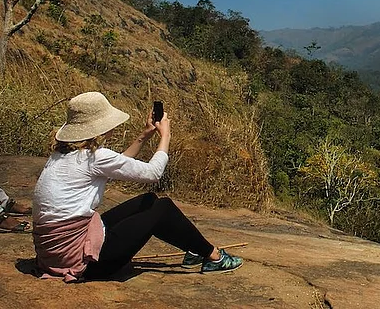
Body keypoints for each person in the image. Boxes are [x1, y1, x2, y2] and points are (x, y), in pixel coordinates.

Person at [32, 92, 243, 282]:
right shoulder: (96, 158)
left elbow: (118, 163)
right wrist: (165, 136)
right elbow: (153, 173)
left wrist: (144, 135)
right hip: (85, 263)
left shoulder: (63, 156)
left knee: (148, 200)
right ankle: (213, 256)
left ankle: (193, 247)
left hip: (57, 254)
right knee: (163, 208)